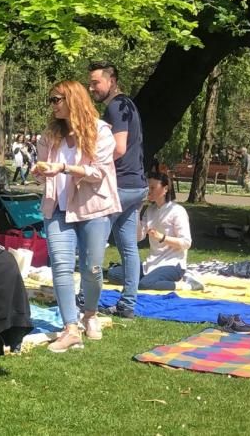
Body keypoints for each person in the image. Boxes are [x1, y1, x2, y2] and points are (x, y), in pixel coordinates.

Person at [35, 80, 121, 353]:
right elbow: (42, 168)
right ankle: (70, 328)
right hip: (56, 209)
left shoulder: (101, 132)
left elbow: (97, 173)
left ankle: (90, 313)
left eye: (57, 99)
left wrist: (64, 167)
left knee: (92, 268)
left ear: (73, 99)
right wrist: (41, 171)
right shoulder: (50, 135)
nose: (53, 105)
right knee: (60, 266)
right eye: (51, 100)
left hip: (93, 208)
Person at [88, 62, 148, 319]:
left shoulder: (116, 106)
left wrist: (93, 167)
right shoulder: (128, 104)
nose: (91, 89)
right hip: (137, 186)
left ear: (111, 80)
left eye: (95, 83)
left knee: (94, 243)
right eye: (90, 83)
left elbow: (119, 148)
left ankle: (86, 298)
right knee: (128, 248)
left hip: (120, 186)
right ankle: (127, 304)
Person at [105, 172, 204, 293]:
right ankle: (148, 277)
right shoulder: (150, 210)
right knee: (113, 274)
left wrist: (162, 237)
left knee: (144, 284)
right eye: (148, 187)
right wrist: (137, 212)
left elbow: (186, 243)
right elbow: (139, 237)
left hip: (172, 265)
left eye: (153, 187)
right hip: (151, 264)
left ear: (165, 189)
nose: (149, 191)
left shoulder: (177, 211)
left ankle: (187, 285)